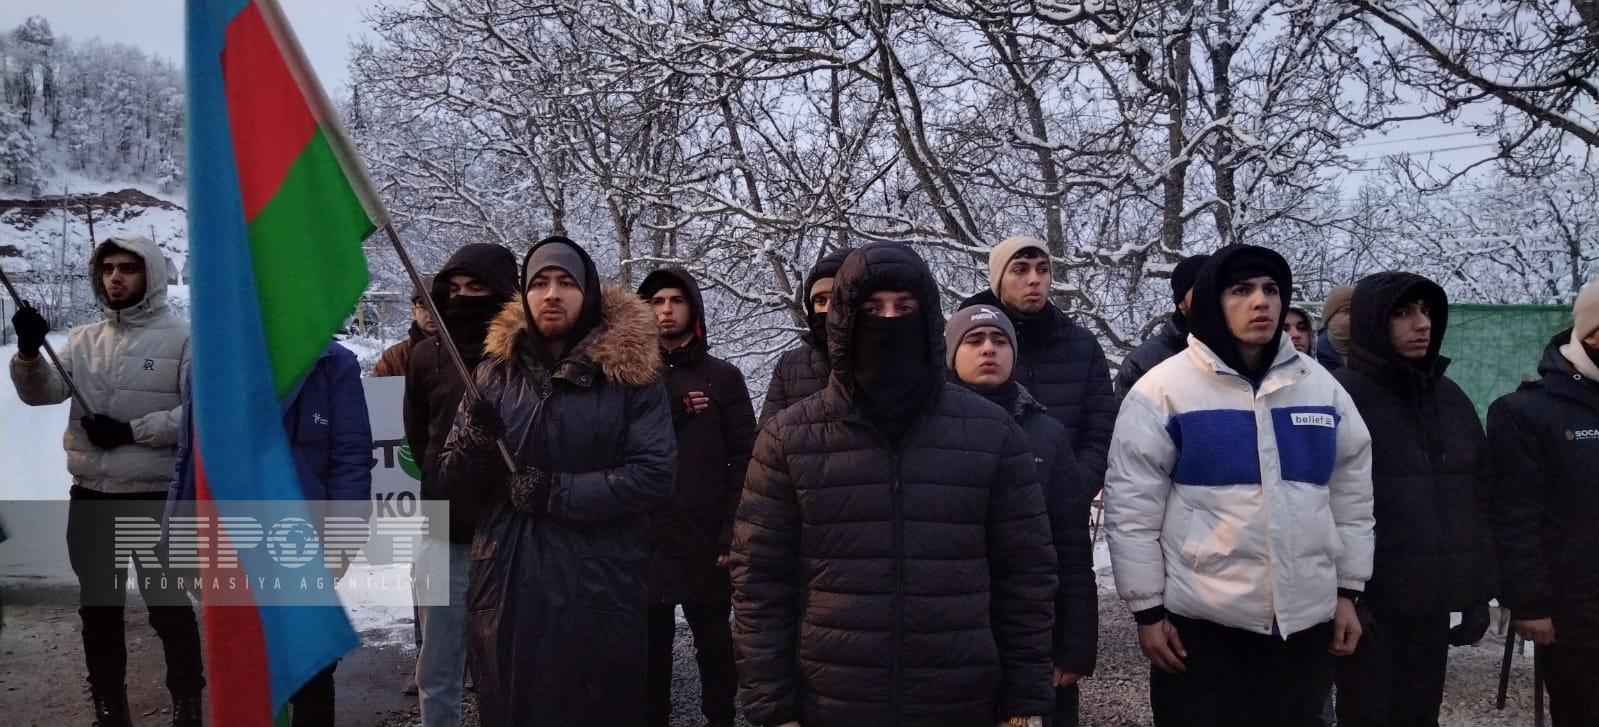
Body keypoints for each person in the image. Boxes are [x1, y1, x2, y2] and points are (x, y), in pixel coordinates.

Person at [732, 242, 1057, 727]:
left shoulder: (992, 434)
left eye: (904, 308)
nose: (888, 321)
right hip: (831, 702)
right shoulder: (788, 439)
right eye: (871, 309)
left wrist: (1024, 705)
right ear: (843, 322)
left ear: (927, 319)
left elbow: (1026, 577)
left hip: (960, 700)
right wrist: (773, 708)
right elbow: (759, 585)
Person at [1104, 244, 1374, 727]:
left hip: (1302, 628)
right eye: (1242, 290)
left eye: (1271, 290)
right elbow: (1132, 511)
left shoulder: (1322, 389)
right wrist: (1147, 611)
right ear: (1213, 301)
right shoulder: (1163, 391)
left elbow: (1351, 499)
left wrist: (1348, 591)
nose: (1260, 302)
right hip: (1203, 628)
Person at [437, 235, 676, 726]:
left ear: (587, 293)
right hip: (507, 589)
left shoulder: (631, 376)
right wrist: (473, 446)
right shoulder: (492, 376)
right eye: (539, 283)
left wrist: (556, 492)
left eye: (565, 282)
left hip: (598, 589)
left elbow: (654, 475)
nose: (551, 294)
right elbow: (450, 488)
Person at [9, 235, 203, 727]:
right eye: (108, 268)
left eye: (128, 269)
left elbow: (200, 414)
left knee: (168, 605)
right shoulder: (83, 339)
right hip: (91, 496)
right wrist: (28, 354)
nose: (115, 277)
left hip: (155, 497)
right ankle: (109, 706)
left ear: (151, 275)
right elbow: (43, 392)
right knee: (99, 609)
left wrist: (132, 431)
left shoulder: (183, 339)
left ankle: (187, 702)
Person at [171, 340, 375, 727]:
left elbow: (350, 456)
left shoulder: (332, 363)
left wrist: (343, 541)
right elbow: (189, 454)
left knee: (311, 669)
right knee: (243, 669)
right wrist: (179, 537)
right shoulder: (215, 351)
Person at [1330, 272, 1496, 727]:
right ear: (1372, 320)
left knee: (1420, 715)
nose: (1421, 324)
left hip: (1429, 604)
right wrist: (1344, 595)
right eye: (1402, 313)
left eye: (1426, 311)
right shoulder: (1338, 396)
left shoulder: (1450, 397)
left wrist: (1476, 590)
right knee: (1366, 715)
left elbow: (1476, 496)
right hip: (1367, 602)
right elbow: (1318, 505)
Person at [946, 304, 1098, 727]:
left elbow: (1071, 545)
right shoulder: (930, 429)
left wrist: (1074, 647)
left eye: (999, 340)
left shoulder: (1048, 434)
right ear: (951, 354)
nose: (988, 349)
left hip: (1035, 632)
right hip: (951, 631)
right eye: (974, 340)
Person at [403, 243, 518, 727]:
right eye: (454, 289)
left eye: (476, 288)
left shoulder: (523, 358)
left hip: (510, 529)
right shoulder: (424, 357)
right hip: (443, 529)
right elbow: (419, 437)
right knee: (439, 663)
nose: (462, 298)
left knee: (510, 661)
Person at [636, 267, 757, 727]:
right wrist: (671, 410)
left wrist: (731, 532)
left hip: (705, 538)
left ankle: (720, 719)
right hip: (645, 537)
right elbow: (612, 441)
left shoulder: (722, 377)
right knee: (649, 652)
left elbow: (745, 458)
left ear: (693, 308)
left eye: (676, 300)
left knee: (715, 646)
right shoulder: (631, 378)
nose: (665, 310)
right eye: (656, 301)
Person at [1487, 279, 1599, 727]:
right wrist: (1530, 603)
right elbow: (1515, 514)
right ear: (1592, 334)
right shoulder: (1526, 412)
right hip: (1578, 616)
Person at [963, 236, 1116, 494]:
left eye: (1042, 270)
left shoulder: (1082, 346)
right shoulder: (967, 346)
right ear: (999, 280)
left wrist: (1075, 489)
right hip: (983, 502)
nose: (1034, 279)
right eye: (1020, 269)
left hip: (1063, 503)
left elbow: (1101, 432)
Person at [759, 247, 853, 425]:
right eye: (820, 301)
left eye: (837, 298)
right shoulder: (789, 365)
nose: (828, 309)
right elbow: (766, 434)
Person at [1114, 254, 1209, 401]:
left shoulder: (1244, 353)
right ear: (1181, 303)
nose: (1213, 297)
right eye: (1202, 289)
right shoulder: (1143, 364)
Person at [374, 280, 437, 377]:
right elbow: (378, 386)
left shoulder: (459, 353)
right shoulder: (393, 358)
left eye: (437, 308)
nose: (430, 314)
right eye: (424, 307)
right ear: (414, 313)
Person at [1316, 285, 1354, 371]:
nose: (1353, 315)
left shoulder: (1371, 353)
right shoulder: (1313, 353)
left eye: (1356, 310)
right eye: (1347, 310)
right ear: (1329, 317)